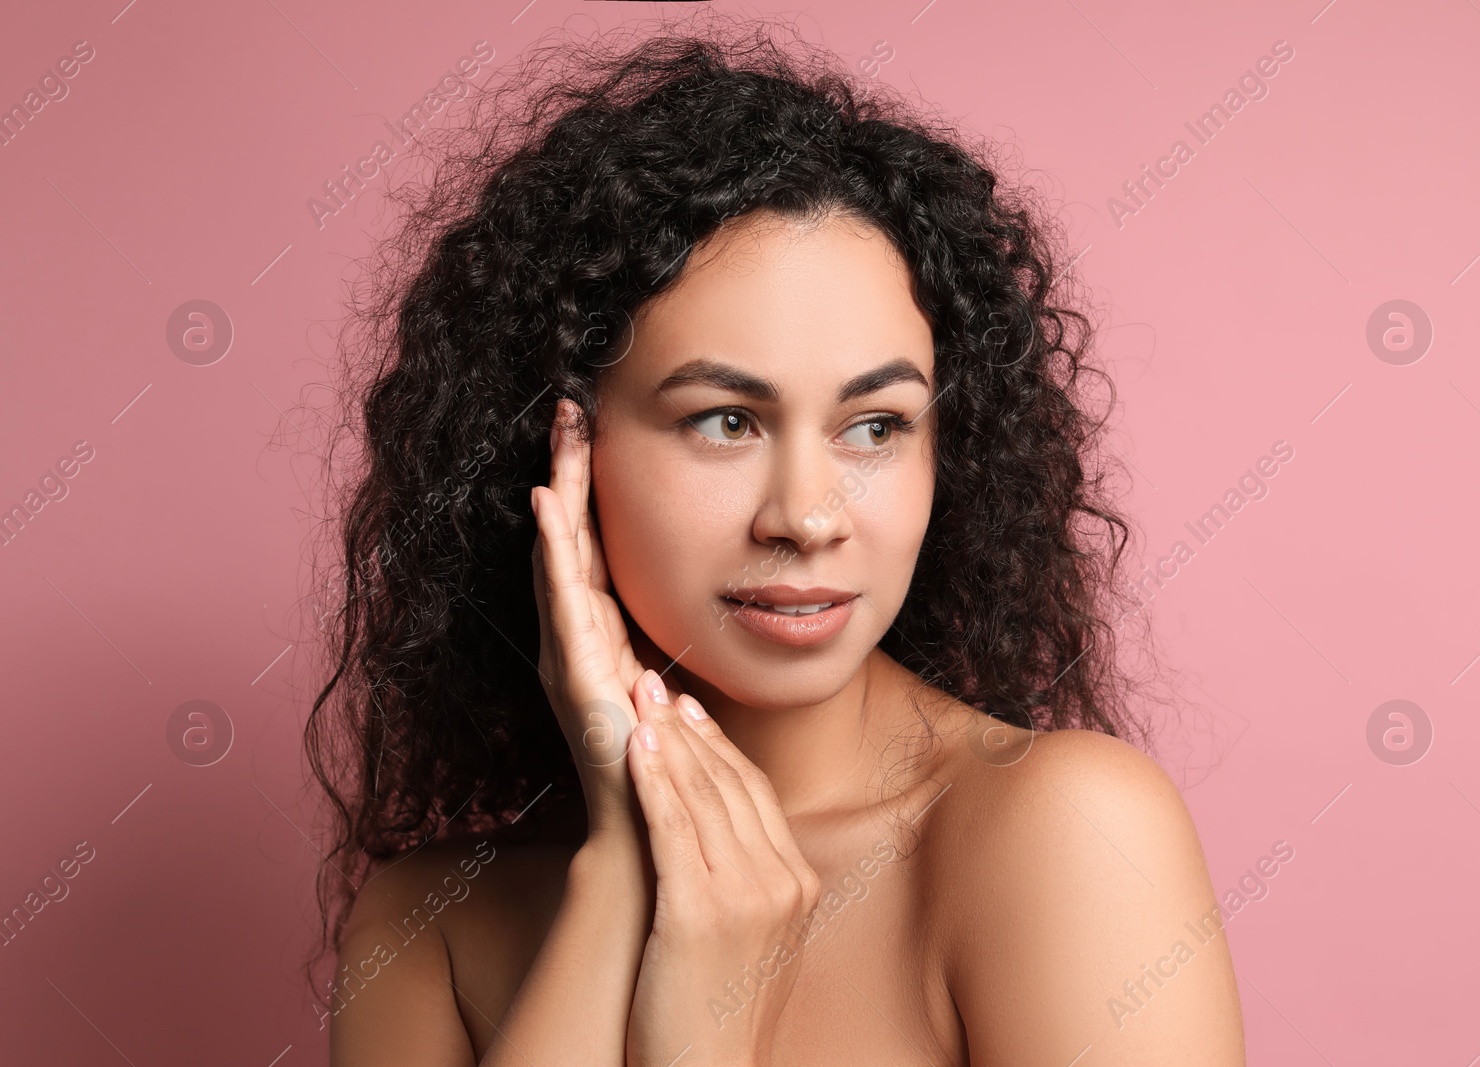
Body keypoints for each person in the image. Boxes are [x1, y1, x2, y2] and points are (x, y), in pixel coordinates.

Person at [303, 14, 1245, 1065]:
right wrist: (622, 873)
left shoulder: (1061, 835)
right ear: (562, 449)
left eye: (875, 427)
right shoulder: (427, 925)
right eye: (725, 420)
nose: (806, 515)